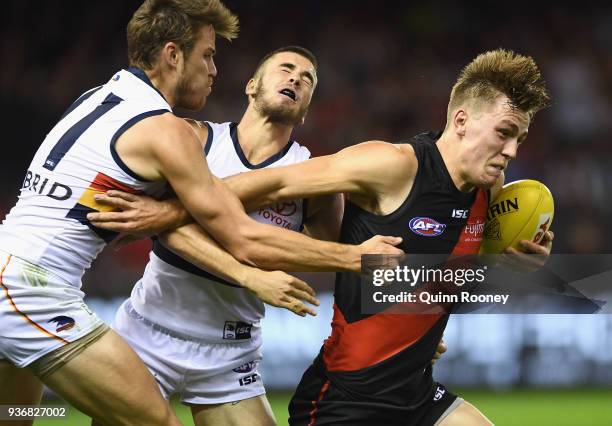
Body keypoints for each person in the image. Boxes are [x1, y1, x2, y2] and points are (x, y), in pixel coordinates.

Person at [0, 2, 400, 425]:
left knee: (14, 415)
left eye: (308, 80)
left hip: (227, 351)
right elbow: (241, 237)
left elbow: (111, 206)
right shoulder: (175, 133)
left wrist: (395, 321)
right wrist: (353, 259)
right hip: (39, 293)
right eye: (208, 55)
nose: (213, 70)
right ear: (173, 55)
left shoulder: (100, 97)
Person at [134, 48, 550, 425]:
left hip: (418, 394)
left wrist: (511, 266)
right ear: (461, 120)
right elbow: (272, 186)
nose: (512, 150)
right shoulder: (390, 165)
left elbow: (448, 282)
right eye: (504, 132)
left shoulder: (489, 192)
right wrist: (167, 211)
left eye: (519, 139)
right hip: (347, 400)